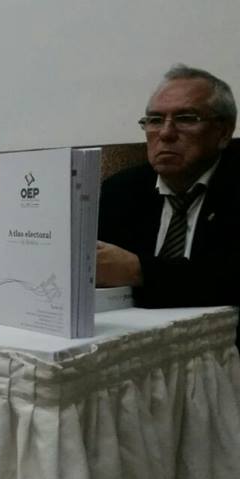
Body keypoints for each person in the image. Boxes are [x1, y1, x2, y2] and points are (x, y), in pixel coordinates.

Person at [97, 65, 239, 308]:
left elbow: (228, 277)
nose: (165, 133)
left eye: (186, 119)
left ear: (223, 132)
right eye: (155, 120)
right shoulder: (120, 190)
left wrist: (139, 271)